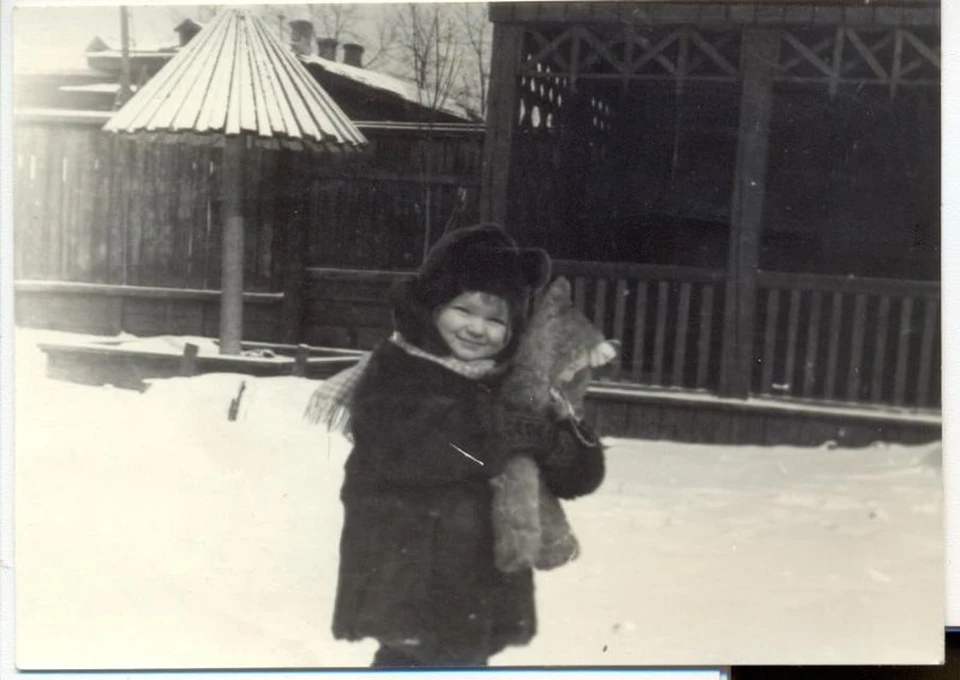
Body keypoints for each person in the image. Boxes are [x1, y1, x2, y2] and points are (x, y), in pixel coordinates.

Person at [328, 223, 606, 667]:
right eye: (464, 310)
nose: (478, 329)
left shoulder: (513, 386)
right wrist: (502, 435)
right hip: (410, 589)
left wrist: (554, 442)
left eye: (496, 320)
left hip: (476, 595)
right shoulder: (396, 373)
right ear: (432, 307)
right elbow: (427, 449)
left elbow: (582, 476)